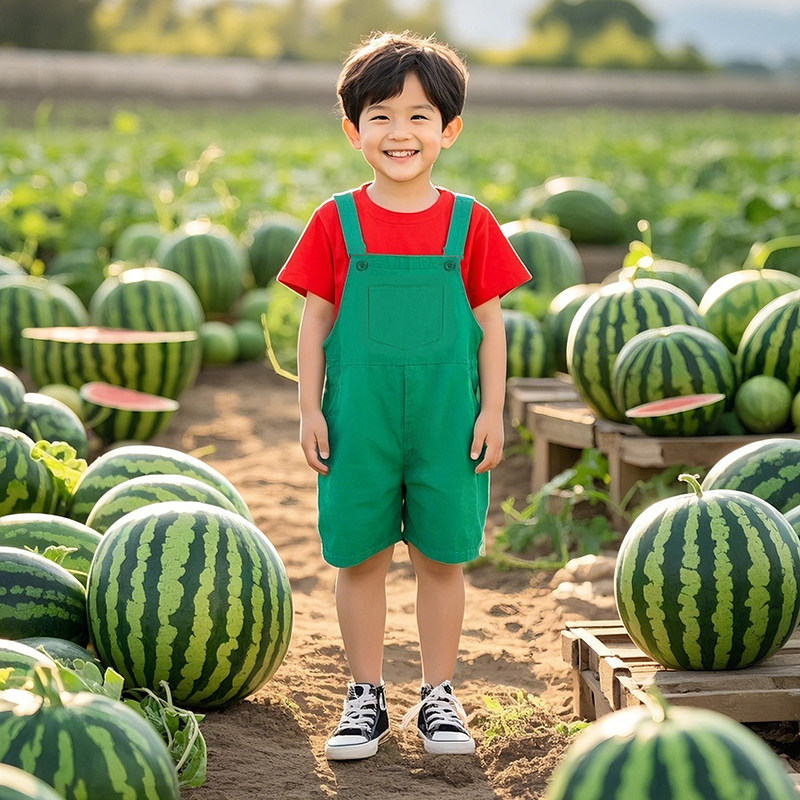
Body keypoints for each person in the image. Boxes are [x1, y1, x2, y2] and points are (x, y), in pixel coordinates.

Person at [278, 30, 530, 761]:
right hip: (358, 417)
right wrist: (308, 407)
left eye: (420, 115)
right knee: (358, 556)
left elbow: (490, 325)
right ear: (354, 130)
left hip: (449, 416)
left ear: (449, 129)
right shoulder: (336, 220)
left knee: (440, 557)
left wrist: (491, 408)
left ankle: (437, 695)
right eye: (381, 115)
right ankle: (365, 697)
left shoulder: (469, 221)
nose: (400, 131)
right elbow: (315, 318)